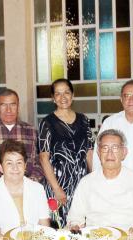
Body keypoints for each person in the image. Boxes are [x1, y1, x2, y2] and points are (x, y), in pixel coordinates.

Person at [68, 129, 133, 234]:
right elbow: (74, 217)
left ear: (124, 153)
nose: (110, 153)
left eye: (115, 148)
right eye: (105, 148)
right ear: (98, 153)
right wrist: (75, 225)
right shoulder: (86, 182)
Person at [38, 79, 93, 226]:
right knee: (59, 228)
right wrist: (56, 188)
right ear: (53, 98)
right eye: (58, 94)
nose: (63, 97)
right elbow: (44, 158)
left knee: (81, 224)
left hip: (81, 181)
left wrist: (94, 179)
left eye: (67, 92)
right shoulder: (47, 122)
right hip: (58, 182)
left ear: (73, 95)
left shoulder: (84, 120)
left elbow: (89, 152)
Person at [0, 139, 50, 239]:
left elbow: (45, 227)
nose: (15, 168)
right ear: (1, 167)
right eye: (9, 163)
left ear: (25, 165)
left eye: (19, 162)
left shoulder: (38, 189)